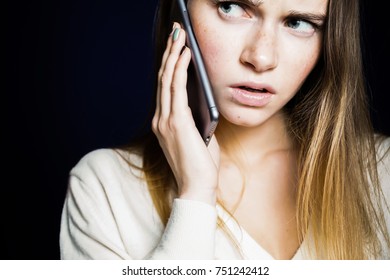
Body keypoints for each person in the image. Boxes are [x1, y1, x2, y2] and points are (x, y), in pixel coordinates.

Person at [59, 0, 390, 259]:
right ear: (181, 13)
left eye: (298, 23)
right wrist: (196, 196)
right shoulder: (104, 188)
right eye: (232, 7)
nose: (261, 57)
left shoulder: (381, 170)